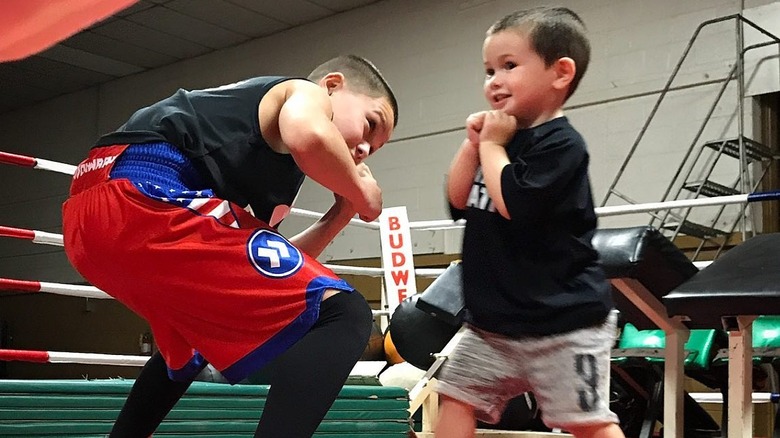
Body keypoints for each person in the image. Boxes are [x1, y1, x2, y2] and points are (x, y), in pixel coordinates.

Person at [61, 54, 398, 437]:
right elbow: (309, 135)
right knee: (346, 314)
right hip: (143, 191)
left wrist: (342, 210)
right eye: (371, 125)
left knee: (190, 341)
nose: (366, 149)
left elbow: (269, 263)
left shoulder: (281, 174)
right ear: (333, 85)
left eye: (376, 147)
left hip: (92, 220)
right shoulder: (303, 94)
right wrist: (362, 192)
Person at [436, 7, 624, 438]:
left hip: (564, 325)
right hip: (493, 327)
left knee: (587, 422)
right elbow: (458, 200)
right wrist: (472, 146)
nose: (494, 81)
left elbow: (513, 204)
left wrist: (493, 145)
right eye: (488, 70)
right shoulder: (496, 144)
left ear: (560, 74)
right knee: (456, 396)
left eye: (509, 66)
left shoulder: (562, 145)